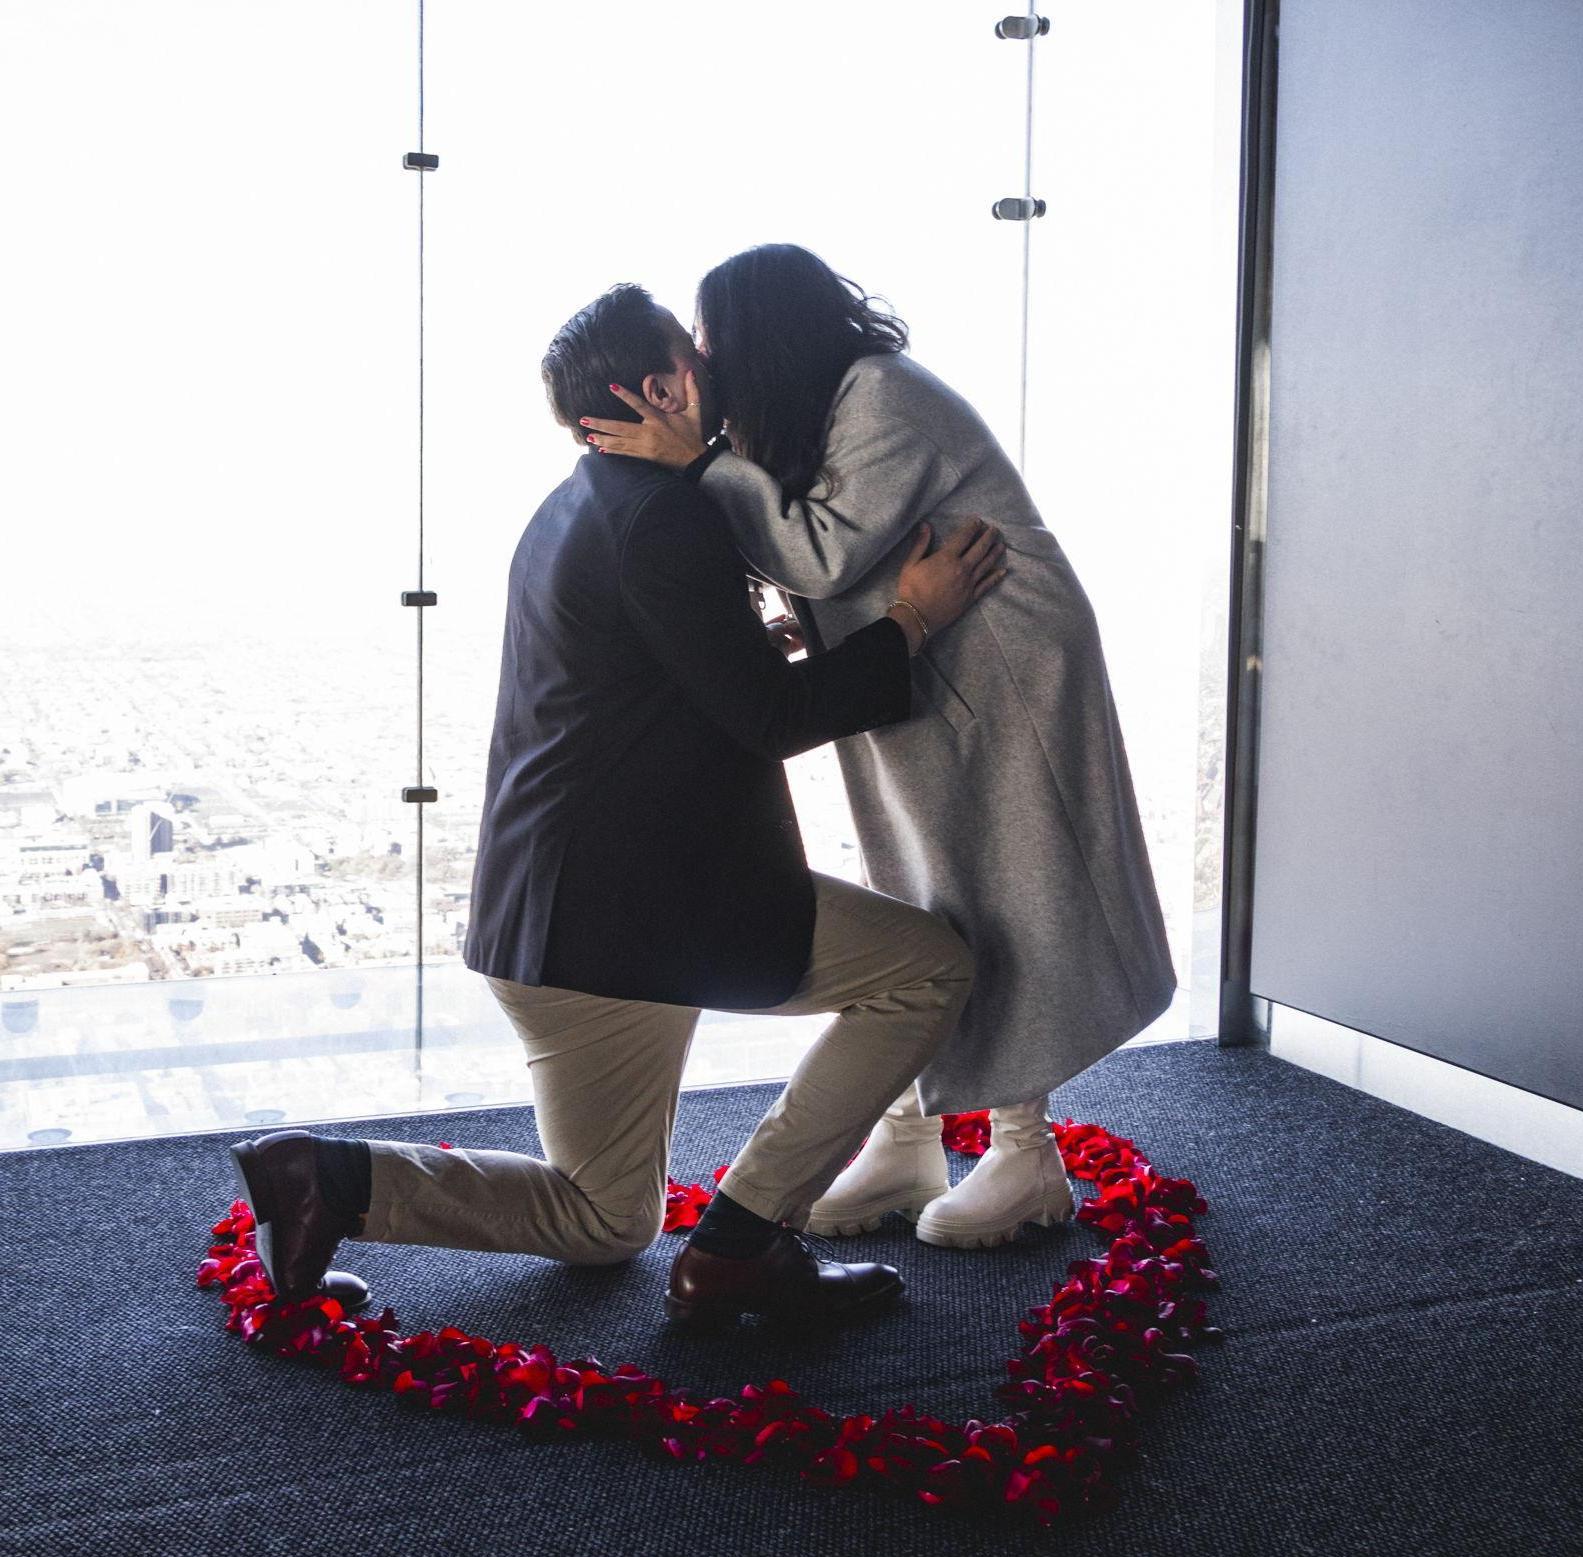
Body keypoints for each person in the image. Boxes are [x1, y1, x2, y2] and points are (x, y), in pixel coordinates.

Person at [227, 282, 1005, 1327]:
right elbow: (772, 720)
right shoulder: (667, 520)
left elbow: (633, 671)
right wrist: (910, 618)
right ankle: (740, 1242)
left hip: (541, 926)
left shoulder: (575, 505)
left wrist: (738, 647)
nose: (713, 373)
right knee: (929, 971)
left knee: (602, 1221)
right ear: (664, 385)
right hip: (635, 922)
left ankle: (325, 1178)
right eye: (698, 357)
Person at [581, 243, 1174, 1250]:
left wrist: (697, 463)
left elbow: (818, 549)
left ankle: (1024, 1156)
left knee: (1001, 886)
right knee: (923, 893)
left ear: (764, 330)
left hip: (999, 660)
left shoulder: (880, 392)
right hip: (922, 656)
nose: (705, 362)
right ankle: (906, 1135)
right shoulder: (826, 409)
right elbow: (826, 548)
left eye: (713, 334)